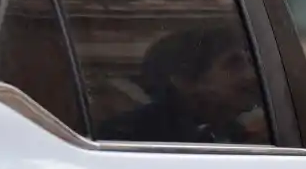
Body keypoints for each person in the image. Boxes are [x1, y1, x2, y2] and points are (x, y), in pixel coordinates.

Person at [101, 23, 268, 144]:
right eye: (233, 65)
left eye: (249, 63)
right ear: (184, 81)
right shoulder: (131, 140)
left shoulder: (239, 133)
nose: (252, 75)